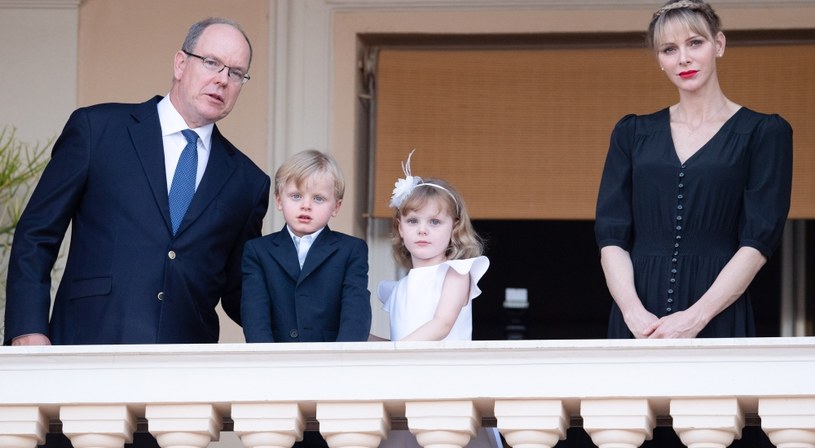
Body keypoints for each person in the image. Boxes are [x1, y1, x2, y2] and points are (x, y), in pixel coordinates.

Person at [4, 17, 271, 345]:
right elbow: (37, 234)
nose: (222, 80)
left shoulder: (248, 182)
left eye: (235, 73)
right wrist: (27, 328)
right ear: (180, 63)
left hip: (185, 371)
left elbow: (238, 291)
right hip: (86, 349)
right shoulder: (97, 130)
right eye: (212, 63)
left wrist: (310, 312)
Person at [595, 0, 793, 340]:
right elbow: (612, 236)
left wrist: (696, 317)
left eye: (695, 43)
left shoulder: (764, 133)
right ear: (660, 60)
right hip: (639, 318)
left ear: (719, 44)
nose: (683, 58)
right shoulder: (632, 133)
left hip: (718, 311)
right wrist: (633, 312)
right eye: (669, 49)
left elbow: (758, 241)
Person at [377, 151, 500, 448]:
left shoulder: (456, 272)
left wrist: (393, 353)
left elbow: (442, 324)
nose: (422, 229)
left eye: (434, 222)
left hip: (448, 386)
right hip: (406, 390)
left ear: (454, 227)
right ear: (400, 228)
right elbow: (398, 339)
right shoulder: (397, 289)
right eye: (413, 220)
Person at [241, 149, 371, 344]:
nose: (306, 206)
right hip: (276, 364)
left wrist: (342, 362)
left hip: (332, 365)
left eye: (318, 198)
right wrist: (266, 363)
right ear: (278, 200)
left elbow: (356, 313)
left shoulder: (351, 250)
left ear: (336, 206)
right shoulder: (258, 251)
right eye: (296, 196)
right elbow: (255, 317)